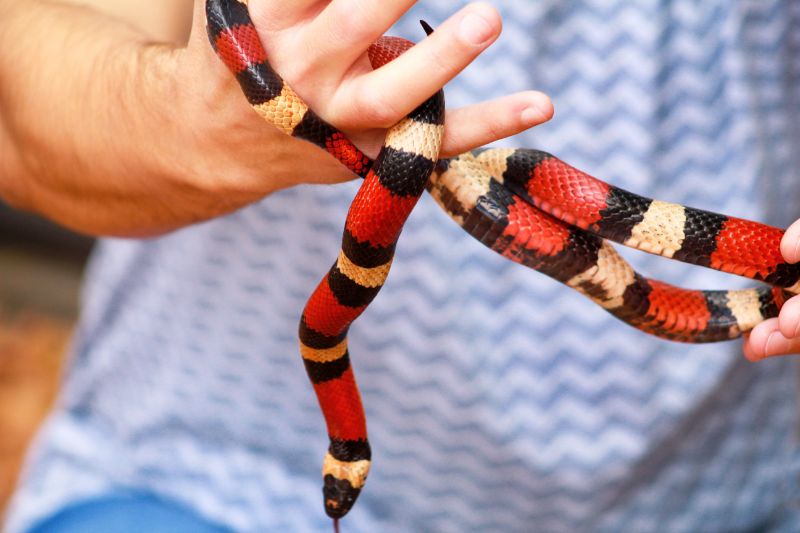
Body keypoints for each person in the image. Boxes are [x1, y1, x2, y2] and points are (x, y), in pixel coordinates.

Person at [2, 0, 800, 531]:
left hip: (715, 500)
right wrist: (175, 120)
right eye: (343, 478)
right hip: (212, 476)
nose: (341, 492)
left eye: (341, 477)